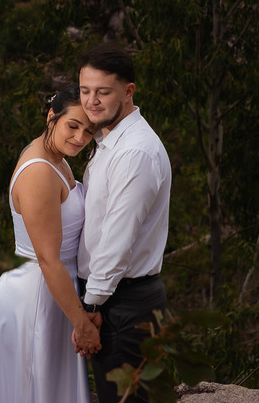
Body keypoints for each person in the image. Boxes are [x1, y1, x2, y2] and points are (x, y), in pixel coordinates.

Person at [0, 85, 101, 403]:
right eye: (73, 125)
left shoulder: (56, 157)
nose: (80, 138)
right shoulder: (39, 172)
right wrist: (82, 323)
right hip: (37, 297)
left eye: (88, 130)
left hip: (55, 293)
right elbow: (48, 259)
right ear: (52, 116)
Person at [76, 42, 171, 403]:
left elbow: (116, 240)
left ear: (128, 91)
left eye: (103, 92)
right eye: (85, 91)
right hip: (115, 300)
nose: (91, 101)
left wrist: (91, 307)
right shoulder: (109, 141)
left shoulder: (134, 152)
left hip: (123, 304)